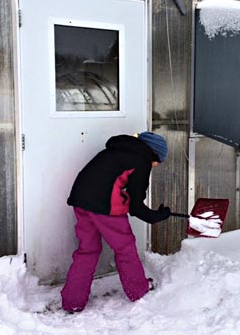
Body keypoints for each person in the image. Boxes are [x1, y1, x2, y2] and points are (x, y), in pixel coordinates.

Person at [61, 132, 171, 313]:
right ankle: (138, 289)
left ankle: (73, 301)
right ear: (153, 153)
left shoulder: (116, 152)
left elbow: (109, 180)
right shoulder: (141, 161)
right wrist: (157, 216)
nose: (156, 165)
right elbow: (136, 206)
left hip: (80, 200)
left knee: (87, 250)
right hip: (104, 206)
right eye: (158, 160)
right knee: (125, 248)